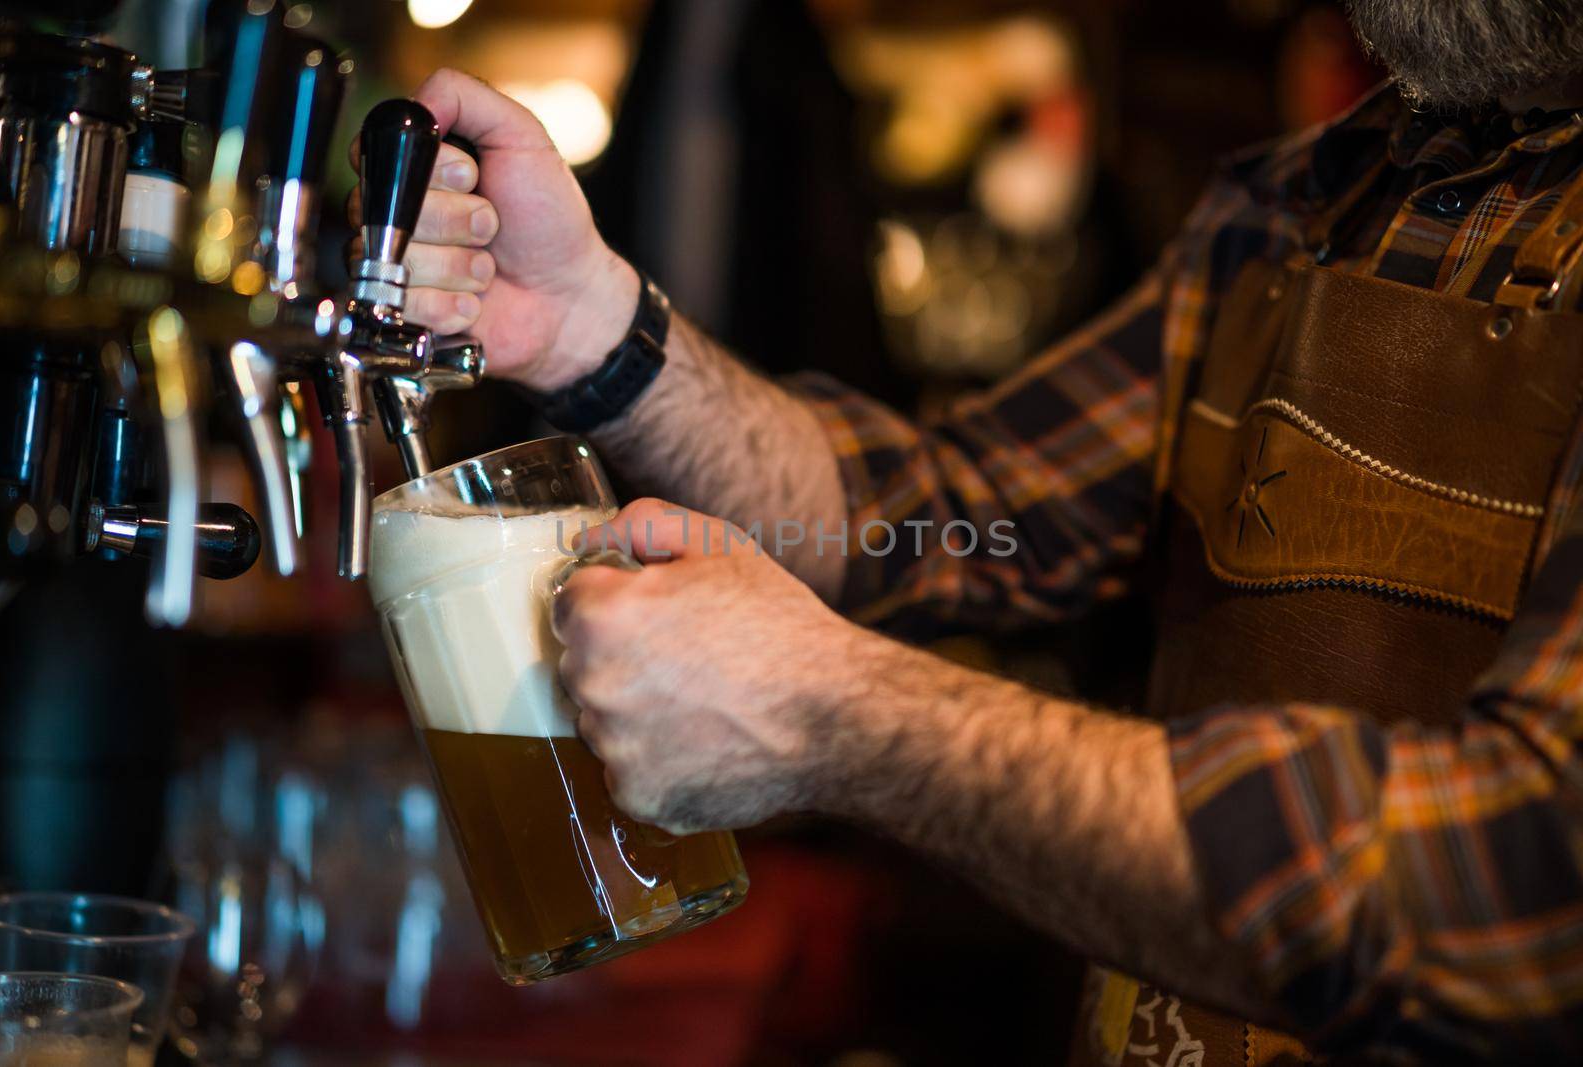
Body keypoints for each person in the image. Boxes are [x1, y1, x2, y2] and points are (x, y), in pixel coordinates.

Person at [353, 1, 1583, 1061]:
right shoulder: (1300, 201)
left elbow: (1521, 881)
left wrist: (838, 714)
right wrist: (589, 329)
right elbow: (942, 506)